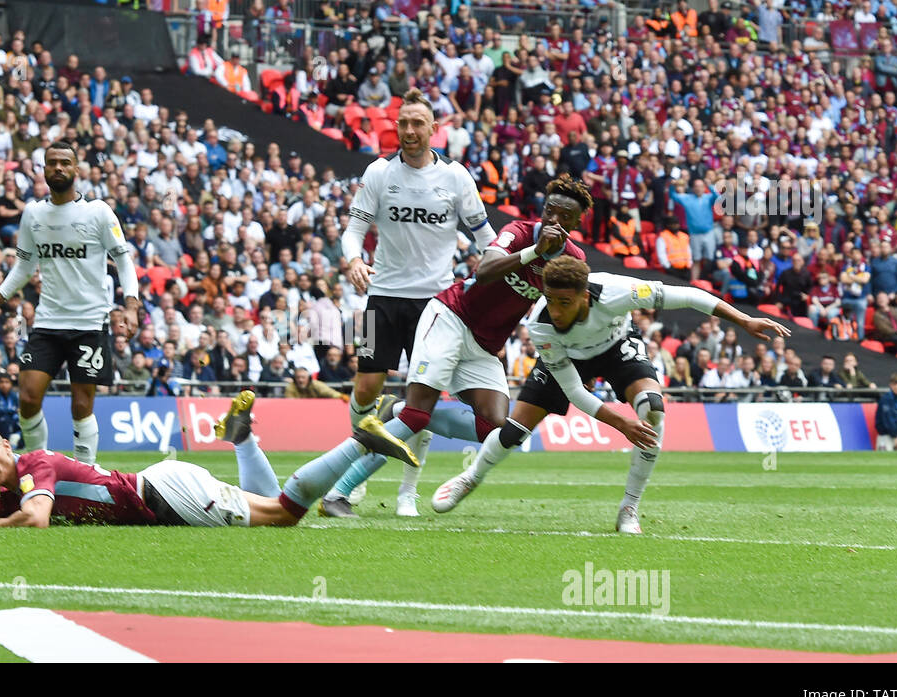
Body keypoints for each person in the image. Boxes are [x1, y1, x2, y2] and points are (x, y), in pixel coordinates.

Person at [433, 256, 790, 533]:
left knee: (653, 408)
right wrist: (618, 422)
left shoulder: (620, 290)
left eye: (564, 302)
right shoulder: (541, 324)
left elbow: (690, 296)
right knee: (514, 430)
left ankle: (629, 507)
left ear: (585, 296)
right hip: (569, 359)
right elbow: (574, 389)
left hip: (617, 346)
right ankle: (471, 477)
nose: (555, 311)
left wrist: (743, 321)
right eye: (550, 300)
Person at [321, 179, 590, 518]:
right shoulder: (519, 233)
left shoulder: (573, 260)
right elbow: (486, 269)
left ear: (576, 224)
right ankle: (338, 493)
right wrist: (535, 252)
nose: (554, 220)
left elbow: (572, 309)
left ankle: (399, 412)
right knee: (416, 416)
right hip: (450, 317)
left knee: (499, 428)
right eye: (550, 211)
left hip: (484, 345)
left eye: (565, 216)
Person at [328, 88, 496, 517]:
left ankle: (407, 490)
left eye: (418, 123)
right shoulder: (379, 173)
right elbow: (352, 231)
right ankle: (357, 466)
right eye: (403, 123)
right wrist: (353, 259)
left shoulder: (456, 178)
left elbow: (487, 239)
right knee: (365, 386)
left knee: (423, 398)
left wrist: (497, 275)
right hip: (381, 295)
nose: (409, 131)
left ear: (434, 129)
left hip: (435, 306)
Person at [0, 393, 417, 528]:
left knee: (285, 514)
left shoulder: (37, 464)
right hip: (165, 485)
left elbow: (33, 520)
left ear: (8, 448)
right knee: (269, 504)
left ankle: (360, 441)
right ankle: (241, 439)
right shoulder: (13, 489)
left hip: (169, 495)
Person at [0, 142, 141, 464]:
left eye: (65, 163)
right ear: (44, 169)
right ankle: (38, 466)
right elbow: (23, 266)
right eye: (52, 163)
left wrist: (131, 305)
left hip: (90, 323)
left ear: (77, 170)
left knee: (81, 406)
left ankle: (84, 473)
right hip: (48, 322)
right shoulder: (34, 214)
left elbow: (123, 259)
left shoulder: (98, 212)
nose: (59, 168)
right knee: (28, 397)